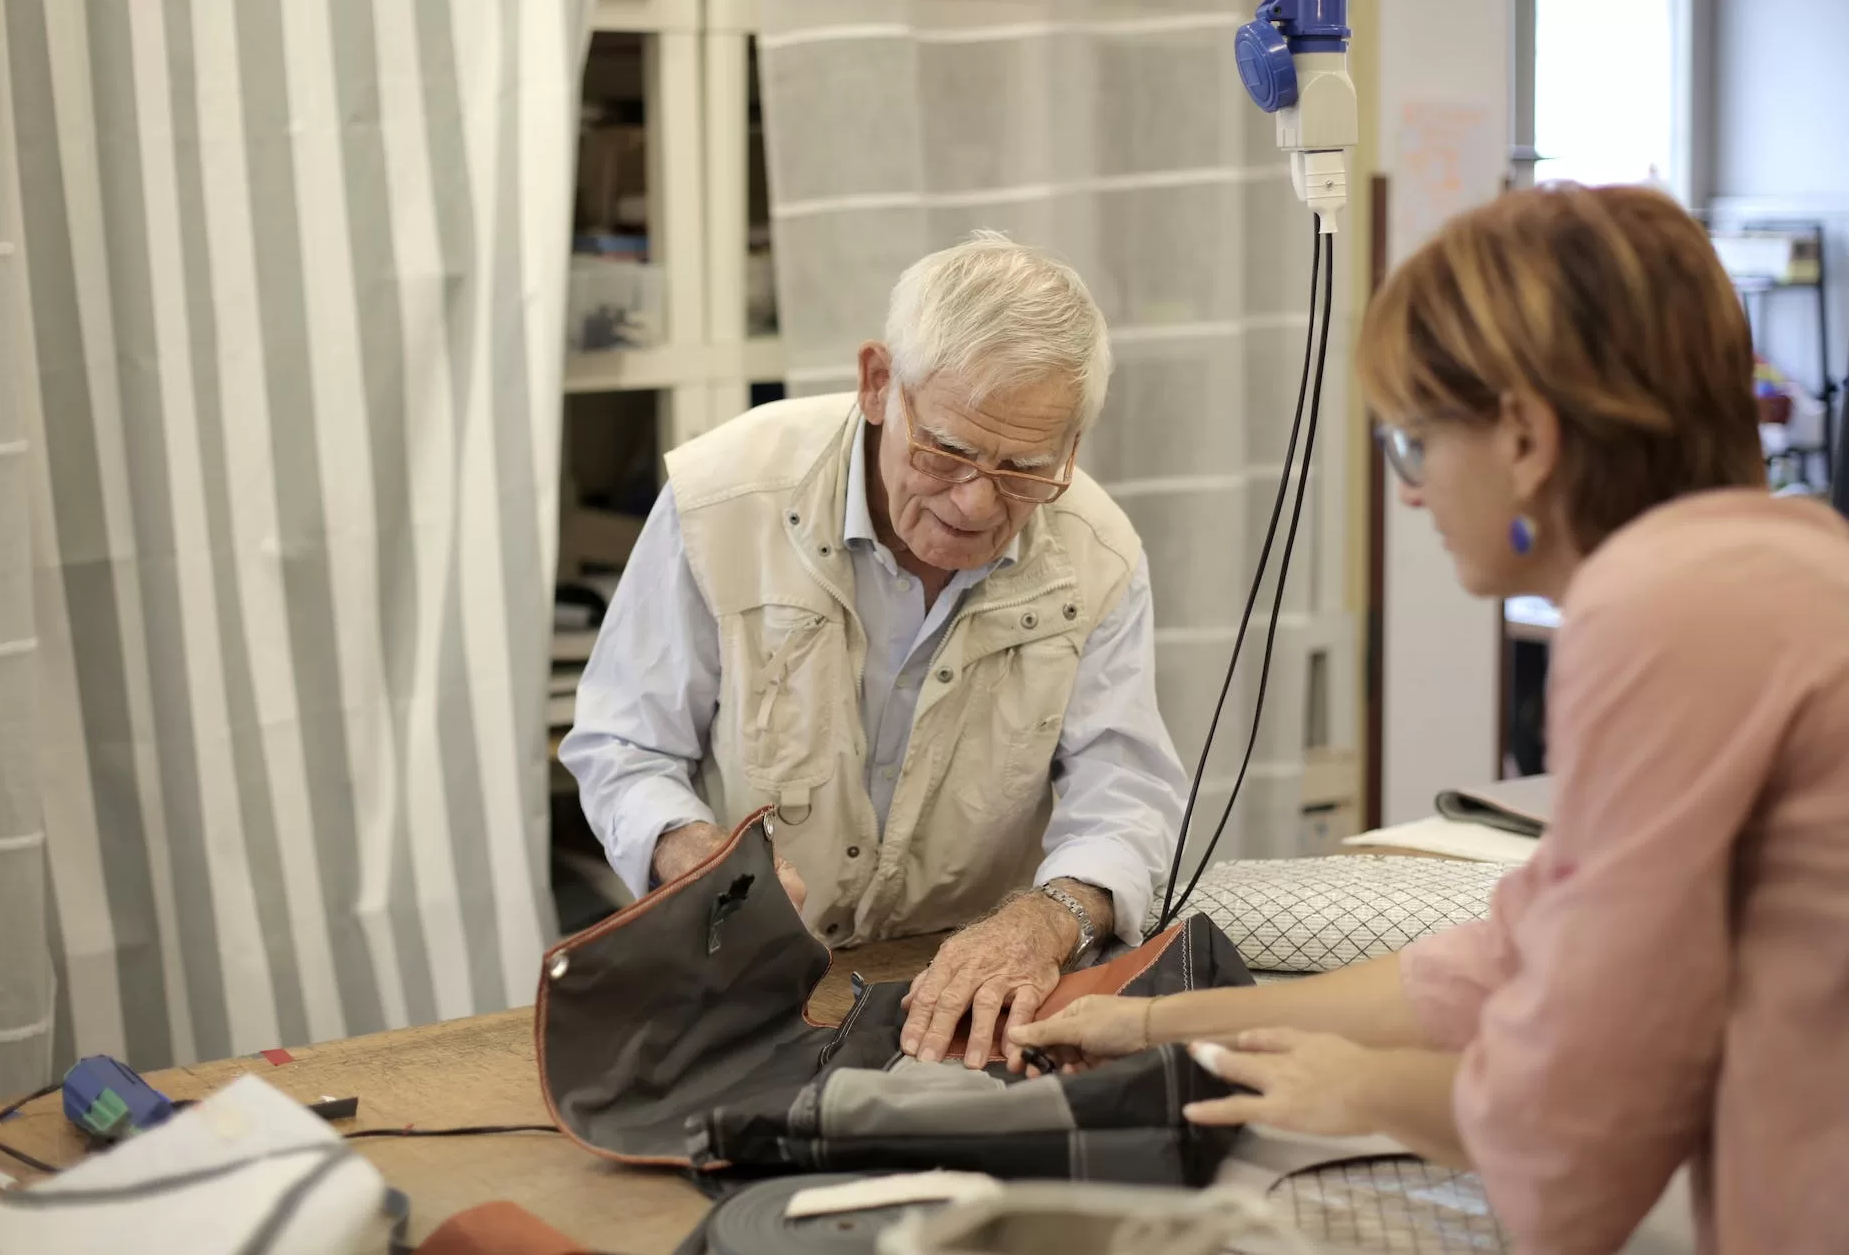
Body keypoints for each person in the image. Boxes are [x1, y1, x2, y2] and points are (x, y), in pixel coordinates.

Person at [1009, 184, 1849, 1253]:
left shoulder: (1662, 607)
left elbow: (1584, 1116)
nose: (1408, 491)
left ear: (1524, 437)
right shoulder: (1776, 561)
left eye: (1412, 441)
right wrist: (1147, 1020)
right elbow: (1505, 960)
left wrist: (1370, 1090)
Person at [561, 232, 1186, 1071]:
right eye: (949, 450)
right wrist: (697, 856)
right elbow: (623, 743)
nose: (974, 501)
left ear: (1069, 448)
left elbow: (1126, 793)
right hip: (741, 980)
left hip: (963, 992)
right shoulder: (724, 500)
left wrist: (1040, 922)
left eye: (1025, 468)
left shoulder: (1097, 552)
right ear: (880, 384)